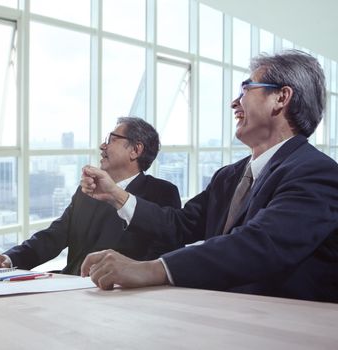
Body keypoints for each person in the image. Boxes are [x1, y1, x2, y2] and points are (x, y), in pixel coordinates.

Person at [80, 50, 338, 302]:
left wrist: (150, 269)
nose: (234, 103)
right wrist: (116, 195)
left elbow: (260, 244)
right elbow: (180, 226)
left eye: (246, 89)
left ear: (281, 97)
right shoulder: (229, 176)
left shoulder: (316, 173)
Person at [0, 117, 181, 275]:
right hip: (70, 290)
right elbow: (53, 236)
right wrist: (8, 259)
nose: (102, 146)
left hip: (122, 299)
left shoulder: (162, 193)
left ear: (135, 150)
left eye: (111, 139)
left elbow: (163, 259)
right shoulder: (89, 189)